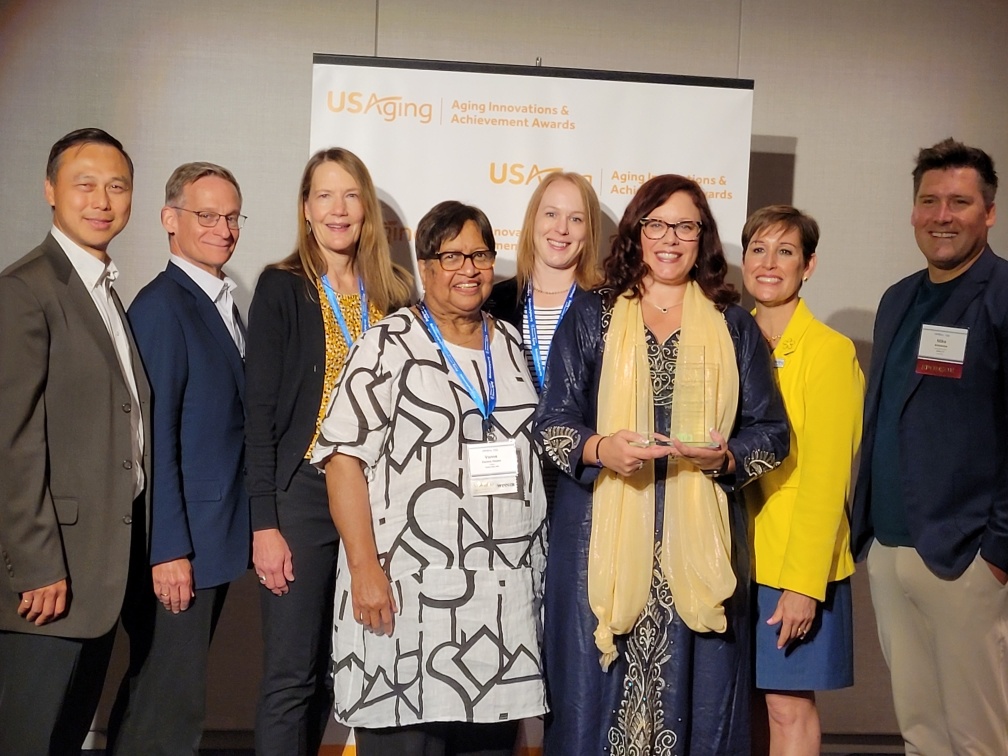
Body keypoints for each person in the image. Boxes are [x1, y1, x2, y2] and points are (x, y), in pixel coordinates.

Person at [535, 174, 789, 755]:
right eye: (657, 224)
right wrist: (603, 450)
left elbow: (772, 435)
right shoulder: (592, 316)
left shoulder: (732, 325)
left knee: (698, 704)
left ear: (703, 237)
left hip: (698, 550)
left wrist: (724, 457)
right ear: (637, 232)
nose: (669, 238)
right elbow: (552, 426)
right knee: (595, 706)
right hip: (599, 544)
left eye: (685, 226)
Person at [311, 201, 548, 756]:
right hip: (405, 603)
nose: (469, 268)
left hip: (500, 610)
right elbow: (342, 459)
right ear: (424, 265)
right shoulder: (387, 344)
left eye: (481, 254)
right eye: (452, 256)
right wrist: (365, 569)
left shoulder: (510, 344)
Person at [245, 147, 413, 755]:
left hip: (379, 497)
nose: (338, 209)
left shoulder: (393, 293)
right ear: (306, 209)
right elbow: (259, 415)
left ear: (365, 210)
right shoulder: (282, 287)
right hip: (303, 497)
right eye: (324, 195)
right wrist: (264, 522)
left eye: (349, 196)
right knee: (293, 673)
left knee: (342, 669)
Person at [850, 138, 1008, 756]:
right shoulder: (898, 298)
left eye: (960, 202)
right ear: (913, 210)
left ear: (988, 212)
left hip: (966, 555)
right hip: (890, 549)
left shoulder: (1000, 296)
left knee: (977, 738)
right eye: (929, 200)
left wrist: (998, 548)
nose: (943, 215)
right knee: (919, 731)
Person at [0, 128, 149, 755]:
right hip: (49, 576)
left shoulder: (105, 288)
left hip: (96, 570)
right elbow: (11, 441)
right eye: (84, 184)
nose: (102, 200)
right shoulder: (25, 289)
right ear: (50, 191)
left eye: (116, 186)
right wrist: (36, 563)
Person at [107, 162, 250, 753]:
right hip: (179, 546)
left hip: (210, 538)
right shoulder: (163, 306)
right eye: (207, 215)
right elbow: (152, 437)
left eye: (232, 216)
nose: (223, 228)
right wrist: (167, 550)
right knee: (168, 703)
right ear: (170, 220)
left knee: (167, 695)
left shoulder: (218, 299)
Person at [740, 205, 864, 756]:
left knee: (787, 708)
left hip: (795, 563)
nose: (769, 264)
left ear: (808, 266)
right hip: (735, 557)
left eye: (785, 252)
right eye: (758, 250)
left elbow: (826, 479)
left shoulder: (830, 352)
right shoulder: (728, 339)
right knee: (744, 707)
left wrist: (803, 585)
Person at [484, 171, 604, 392]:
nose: (561, 228)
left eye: (576, 219)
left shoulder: (606, 306)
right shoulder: (493, 302)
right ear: (533, 220)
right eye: (551, 214)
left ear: (590, 230)